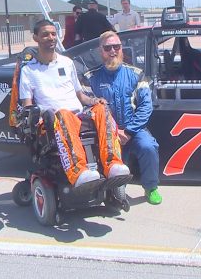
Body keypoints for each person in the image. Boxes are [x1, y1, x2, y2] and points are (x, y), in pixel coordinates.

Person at [19, 19, 130, 191]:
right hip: (53, 121)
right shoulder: (28, 70)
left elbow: (80, 96)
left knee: (101, 108)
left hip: (79, 115)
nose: (50, 38)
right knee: (63, 114)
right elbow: (28, 106)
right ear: (36, 38)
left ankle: (113, 165)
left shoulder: (67, 62)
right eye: (45, 34)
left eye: (53, 34)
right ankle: (78, 172)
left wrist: (95, 101)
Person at [87, 31, 162, 205]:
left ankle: (151, 188)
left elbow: (146, 106)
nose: (113, 51)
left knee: (149, 147)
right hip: (106, 133)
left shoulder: (136, 74)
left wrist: (128, 131)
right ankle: (112, 189)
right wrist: (113, 132)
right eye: (108, 47)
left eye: (117, 47)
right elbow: (88, 108)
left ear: (122, 49)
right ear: (101, 51)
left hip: (133, 129)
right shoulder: (91, 78)